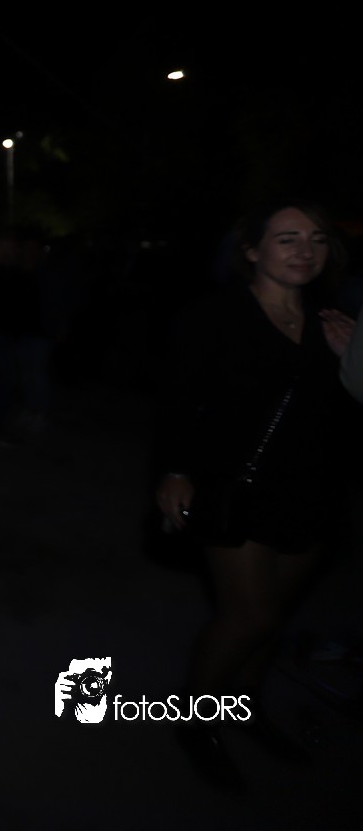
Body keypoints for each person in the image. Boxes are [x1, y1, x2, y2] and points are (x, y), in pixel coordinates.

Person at [155, 202, 358, 788]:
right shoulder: (214, 315)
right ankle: (196, 721)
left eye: (316, 239)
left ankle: (242, 707)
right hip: (235, 485)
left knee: (275, 619)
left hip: (313, 490)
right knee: (250, 616)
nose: (305, 250)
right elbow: (177, 400)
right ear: (251, 250)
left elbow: (341, 417)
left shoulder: (336, 324)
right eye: (287, 238)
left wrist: (352, 362)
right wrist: (174, 469)